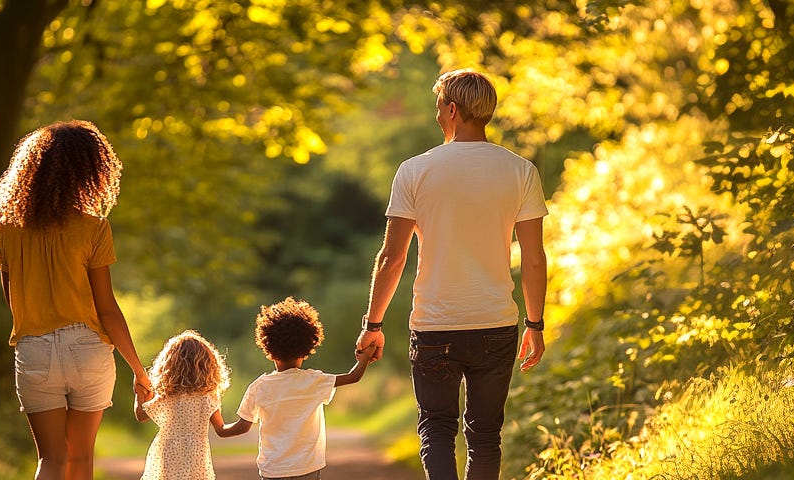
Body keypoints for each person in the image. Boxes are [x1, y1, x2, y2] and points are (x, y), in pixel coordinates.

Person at [355, 69, 549, 480]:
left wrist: (373, 324)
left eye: (439, 107)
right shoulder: (521, 171)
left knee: (437, 430)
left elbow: (392, 258)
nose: (438, 116)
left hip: (434, 325)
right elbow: (533, 258)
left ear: (453, 108)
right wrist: (535, 323)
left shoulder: (413, 170)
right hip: (496, 323)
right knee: (484, 436)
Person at [0, 120, 151, 480]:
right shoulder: (93, 227)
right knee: (80, 460)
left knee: (51, 459)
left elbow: (13, 301)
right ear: (88, 172)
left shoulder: (3, 229)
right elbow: (106, 308)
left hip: (34, 349)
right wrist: (139, 372)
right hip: (87, 349)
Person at [213, 296, 376, 480]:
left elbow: (241, 427)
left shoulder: (259, 387)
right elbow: (353, 377)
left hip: (272, 470)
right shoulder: (313, 381)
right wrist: (365, 357)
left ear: (269, 350)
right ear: (306, 349)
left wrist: (216, 420)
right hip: (307, 468)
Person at [134, 330, 231, 480]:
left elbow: (141, 415)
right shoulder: (208, 397)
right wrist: (246, 422)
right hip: (196, 455)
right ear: (207, 366)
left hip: (168, 453)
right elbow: (221, 429)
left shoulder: (168, 396)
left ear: (170, 366)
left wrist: (139, 394)